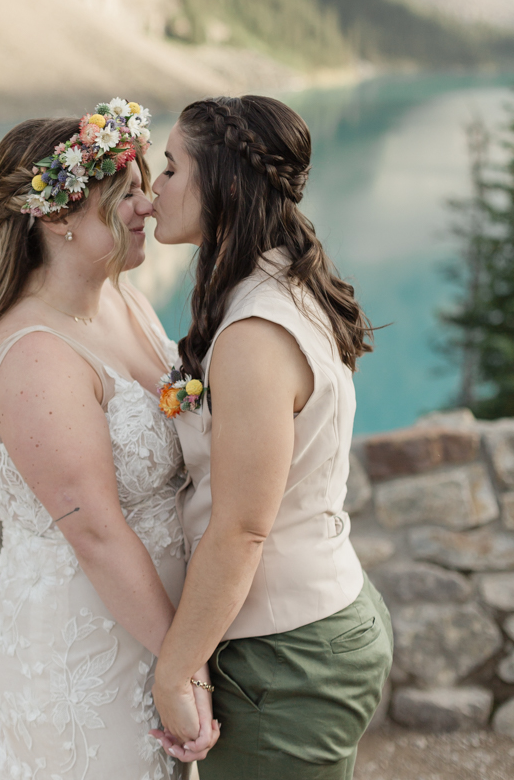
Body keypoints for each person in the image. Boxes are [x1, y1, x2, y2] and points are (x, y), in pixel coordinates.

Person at [0, 100, 219, 780]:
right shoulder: (38, 354)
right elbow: (96, 531)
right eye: (122, 194)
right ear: (59, 216)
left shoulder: (125, 300)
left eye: (143, 186)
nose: (147, 207)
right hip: (88, 654)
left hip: (153, 637)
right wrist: (186, 673)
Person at [148, 95, 393, 779]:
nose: (154, 187)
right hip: (310, 627)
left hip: (286, 655)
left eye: (170, 168)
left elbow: (242, 528)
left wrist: (175, 669)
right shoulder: (280, 283)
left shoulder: (256, 333)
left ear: (222, 182)